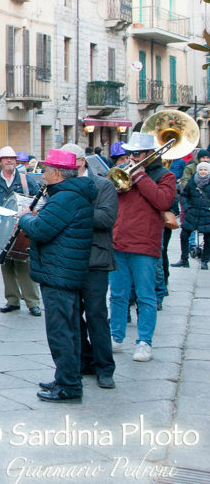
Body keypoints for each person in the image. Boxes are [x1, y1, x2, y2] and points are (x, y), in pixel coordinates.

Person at [17, 150, 96, 403]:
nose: (44, 174)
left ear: (58, 174)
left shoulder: (64, 198)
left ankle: (69, 386)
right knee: (69, 329)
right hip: (66, 270)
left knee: (61, 331)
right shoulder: (73, 195)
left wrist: (25, 217)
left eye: (47, 170)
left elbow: (41, 230)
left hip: (59, 272)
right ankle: (65, 376)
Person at [110, 132, 175, 362]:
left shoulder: (165, 175)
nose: (132, 157)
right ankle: (115, 337)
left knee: (146, 296)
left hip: (145, 244)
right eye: (130, 153)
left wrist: (140, 178)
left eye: (136, 153)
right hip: (119, 241)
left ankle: (144, 342)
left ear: (149, 154)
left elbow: (163, 202)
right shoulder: (124, 173)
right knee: (117, 294)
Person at [57, 146, 118, 390]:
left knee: (96, 315)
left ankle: (105, 367)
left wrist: (73, 211)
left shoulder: (103, 185)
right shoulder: (60, 185)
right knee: (71, 316)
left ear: (81, 162)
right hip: (69, 258)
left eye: (67, 163)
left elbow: (105, 219)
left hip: (95, 259)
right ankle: (84, 361)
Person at [0, 146, 42, 315]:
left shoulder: (26, 180)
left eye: (12, 158)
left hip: (22, 228)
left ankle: (32, 302)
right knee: (6, 264)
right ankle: (12, 300)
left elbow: (39, 199)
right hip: (1, 227)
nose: (10, 161)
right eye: (6, 158)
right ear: (1, 161)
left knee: (24, 263)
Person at [178, 161, 210, 269]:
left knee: (208, 239)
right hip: (192, 213)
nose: (203, 171)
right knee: (184, 236)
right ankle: (184, 260)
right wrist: (187, 208)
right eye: (201, 169)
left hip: (206, 215)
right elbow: (184, 195)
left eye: (205, 170)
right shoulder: (192, 181)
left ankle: (205, 261)